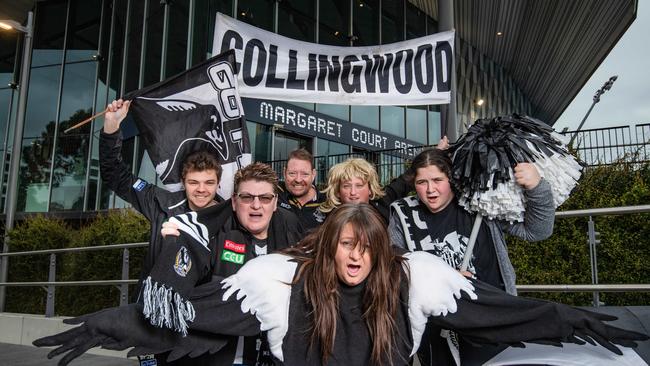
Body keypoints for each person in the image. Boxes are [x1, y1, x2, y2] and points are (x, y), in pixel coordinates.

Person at [34, 204, 647, 366]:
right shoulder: (276, 282)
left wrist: (573, 319)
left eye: (365, 247)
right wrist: (108, 323)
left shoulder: (415, 279)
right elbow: (198, 314)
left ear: (380, 251)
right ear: (329, 248)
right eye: (345, 245)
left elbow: (502, 311)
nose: (355, 257)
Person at [388, 148, 555, 365]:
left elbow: (538, 231)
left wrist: (536, 187)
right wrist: (441, 279)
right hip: (439, 327)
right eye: (422, 182)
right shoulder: (403, 214)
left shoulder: (481, 202)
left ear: (451, 178)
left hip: (493, 316)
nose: (431, 190)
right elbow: (393, 268)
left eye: (438, 180)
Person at [101, 98, 225, 366]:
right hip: (155, 322)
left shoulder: (229, 217)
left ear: (218, 182)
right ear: (183, 181)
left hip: (204, 325)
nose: (201, 189)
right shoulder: (161, 203)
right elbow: (115, 176)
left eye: (208, 183)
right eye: (193, 182)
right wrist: (112, 127)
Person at [160, 162, 304, 365]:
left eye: (264, 198)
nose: (256, 205)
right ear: (234, 202)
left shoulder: (290, 233)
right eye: (247, 197)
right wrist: (175, 247)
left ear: (275, 203)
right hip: (224, 356)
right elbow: (180, 289)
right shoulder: (212, 235)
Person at [319, 157, 412, 222]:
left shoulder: (382, 205)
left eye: (359, 186)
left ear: (370, 189)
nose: (353, 192)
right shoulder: (329, 219)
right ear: (338, 191)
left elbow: (407, 179)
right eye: (346, 186)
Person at [277, 148, 326, 229]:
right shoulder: (274, 193)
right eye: (292, 173)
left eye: (305, 174)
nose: (298, 180)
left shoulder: (327, 203)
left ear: (313, 174)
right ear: (284, 173)